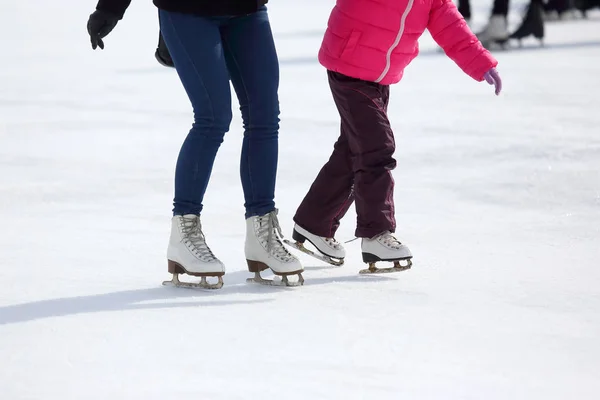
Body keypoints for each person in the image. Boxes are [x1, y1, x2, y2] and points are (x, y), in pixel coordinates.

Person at [86, 0, 304, 288]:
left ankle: (261, 231)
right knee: (213, 118)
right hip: (186, 10)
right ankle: (184, 232)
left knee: (264, 116)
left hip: (249, 11)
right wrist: (110, 9)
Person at [290, 0, 502, 272]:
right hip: (349, 62)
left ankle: (313, 222)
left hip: (380, 72)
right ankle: (376, 233)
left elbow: (449, 22)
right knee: (376, 148)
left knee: (354, 150)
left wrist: (480, 62)